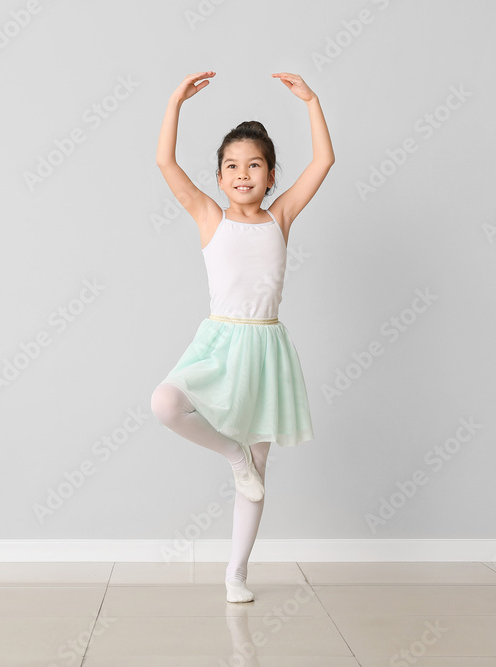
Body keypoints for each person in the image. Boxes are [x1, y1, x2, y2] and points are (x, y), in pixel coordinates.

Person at [150, 71, 334, 603]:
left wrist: (313, 102)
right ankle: (232, 456)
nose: (242, 174)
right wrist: (174, 101)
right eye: (232, 166)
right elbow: (166, 163)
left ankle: (235, 575)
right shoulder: (209, 217)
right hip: (219, 342)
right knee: (166, 403)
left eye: (254, 165)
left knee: (260, 468)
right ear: (218, 176)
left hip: (265, 348)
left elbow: (323, 161)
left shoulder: (281, 217)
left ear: (272, 175)